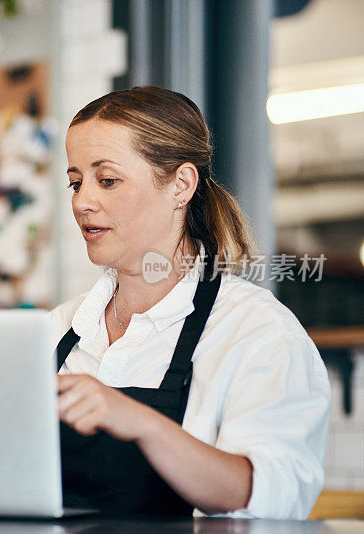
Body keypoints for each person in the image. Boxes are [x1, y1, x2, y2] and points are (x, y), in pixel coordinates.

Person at [53, 86, 329, 519]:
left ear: (181, 185)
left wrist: (142, 424)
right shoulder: (56, 330)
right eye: (75, 182)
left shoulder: (257, 332)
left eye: (107, 180)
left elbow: (269, 497)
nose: (83, 202)